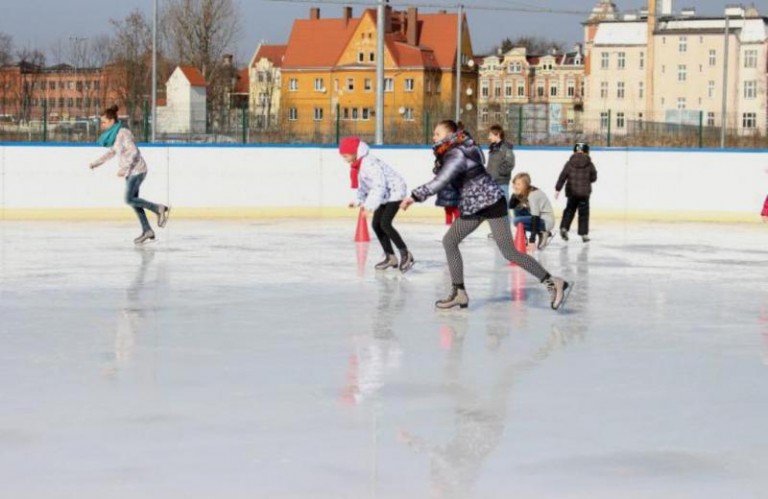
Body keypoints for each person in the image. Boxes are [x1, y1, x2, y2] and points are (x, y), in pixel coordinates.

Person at [400, 120, 569, 310]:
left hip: (489, 203)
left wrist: (414, 196)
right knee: (450, 241)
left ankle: (553, 282)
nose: (433, 137)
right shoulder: (458, 149)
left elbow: (441, 180)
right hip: (477, 205)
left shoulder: (457, 153)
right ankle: (459, 293)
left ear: (449, 135)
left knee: (508, 252)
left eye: (437, 134)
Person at [89, 105, 170, 244]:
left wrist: (125, 168)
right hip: (130, 172)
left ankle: (158, 208)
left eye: (104, 122)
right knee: (134, 202)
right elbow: (112, 152)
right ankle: (147, 230)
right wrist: (96, 163)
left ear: (112, 121)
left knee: (129, 199)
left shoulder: (123, 133)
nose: (102, 125)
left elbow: (134, 152)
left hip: (137, 170)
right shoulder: (115, 135)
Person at [339, 136, 414, 272]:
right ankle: (390, 257)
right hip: (384, 193)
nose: (344, 159)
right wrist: (358, 201)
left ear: (354, 152)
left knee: (385, 224)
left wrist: (369, 206)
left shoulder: (368, 163)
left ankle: (405, 254)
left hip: (395, 190)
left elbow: (379, 185)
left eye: (346, 156)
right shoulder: (358, 165)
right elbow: (365, 186)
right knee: (376, 225)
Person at [555, 142, 597, 243]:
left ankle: (564, 227)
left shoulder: (569, 163)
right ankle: (584, 234)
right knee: (583, 213)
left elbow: (562, 176)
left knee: (569, 210)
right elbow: (594, 177)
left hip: (572, 192)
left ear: (574, 151)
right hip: (584, 193)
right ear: (587, 152)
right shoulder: (590, 164)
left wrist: (557, 189)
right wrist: (587, 179)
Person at [509, 172, 555, 251]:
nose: (515, 186)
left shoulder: (533, 195)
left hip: (546, 222)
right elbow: (511, 206)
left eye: (518, 184)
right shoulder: (524, 192)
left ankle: (542, 232)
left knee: (516, 221)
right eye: (514, 184)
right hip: (539, 218)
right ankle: (524, 238)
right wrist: (515, 194)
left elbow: (535, 217)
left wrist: (532, 240)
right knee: (518, 209)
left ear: (525, 185)